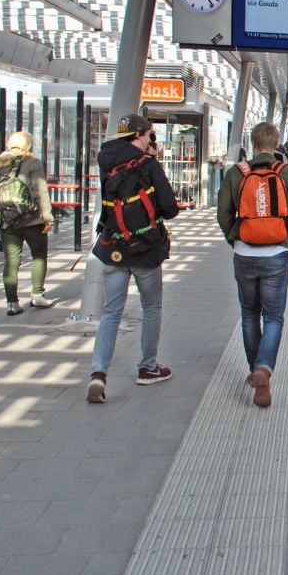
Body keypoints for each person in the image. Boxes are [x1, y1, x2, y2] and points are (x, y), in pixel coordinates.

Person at [86, 114, 179, 404]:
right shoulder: (148, 165)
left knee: (112, 312)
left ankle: (99, 374)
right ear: (140, 134)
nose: (152, 139)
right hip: (146, 251)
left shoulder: (106, 161)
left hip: (113, 247)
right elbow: (169, 207)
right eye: (150, 134)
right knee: (151, 308)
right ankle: (147, 368)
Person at [217, 121, 288, 407]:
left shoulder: (236, 174)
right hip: (275, 255)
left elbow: (223, 214)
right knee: (274, 317)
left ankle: (256, 368)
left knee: (249, 314)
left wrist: (236, 240)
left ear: (253, 144)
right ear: (276, 143)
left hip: (244, 255)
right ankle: (264, 368)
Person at [0, 131, 55, 315]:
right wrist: (48, 217)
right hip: (32, 219)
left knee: (11, 262)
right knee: (39, 256)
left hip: (7, 220)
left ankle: (12, 303)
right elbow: (41, 191)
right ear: (28, 145)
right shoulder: (33, 163)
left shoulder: (0, 163)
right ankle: (37, 296)